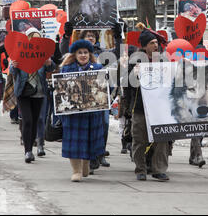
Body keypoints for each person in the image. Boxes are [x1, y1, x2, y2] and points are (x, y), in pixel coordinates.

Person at [60, 21, 123, 171]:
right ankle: (79, 165)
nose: (90, 38)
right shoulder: (70, 62)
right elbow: (63, 52)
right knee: (77, 135)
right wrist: (66, 36)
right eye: (87, 35)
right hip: (75, 107)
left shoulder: (101, 55)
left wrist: (119, 37)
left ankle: (97, 155)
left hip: (95, 104)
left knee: (102, 126)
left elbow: (118, 54)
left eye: (93, 36)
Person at [125, 29, 170, 181]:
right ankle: (141, 169)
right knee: (139, 140)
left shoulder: (163, 60)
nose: (156, 45)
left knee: (162, 139)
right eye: (152, 43)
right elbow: (127, 84)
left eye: (157, 42)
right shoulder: (135, 61)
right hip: (140, 108)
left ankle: (159, 169)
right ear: (144, 46)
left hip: (160, 107)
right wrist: (134, 74)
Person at [59, 39, 105, 182]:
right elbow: (60, 89)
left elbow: (104, 88)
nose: (83, 55)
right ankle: (76, 170)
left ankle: (86, 162)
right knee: (74, 142)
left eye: (85, 52)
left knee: (89, 139)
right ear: (75, 54)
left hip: (92, 111)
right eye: (80, 53)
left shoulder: (98, 68)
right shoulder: (66, 69)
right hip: (73, 112)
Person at [10, 28, 56, 163]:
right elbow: (13, 71)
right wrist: (14, 65)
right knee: (27, 120)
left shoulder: (43, 53)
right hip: (24, 92)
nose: (35, 40)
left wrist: (49, 63)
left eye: (37, 37)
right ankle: (28, 151)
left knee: (36, 121)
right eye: (32, 37)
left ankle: (35, 145)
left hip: (39, 92)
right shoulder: (20, 52)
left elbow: (51, 67)